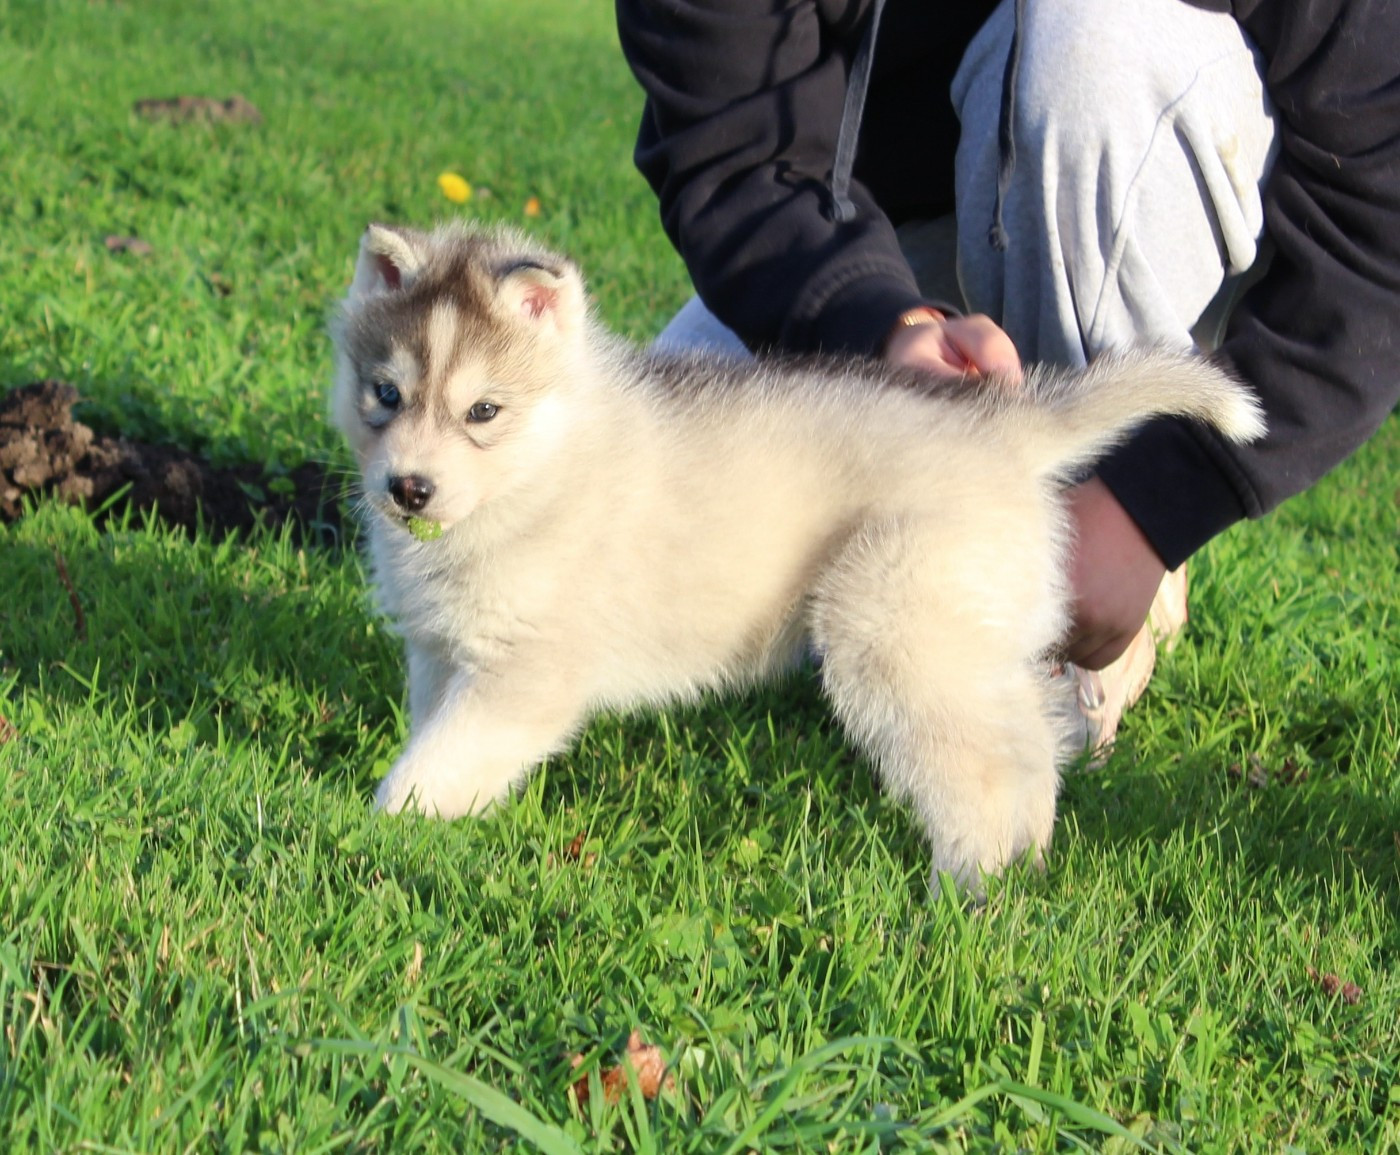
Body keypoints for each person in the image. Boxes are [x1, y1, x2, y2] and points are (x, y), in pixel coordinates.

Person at [615, 0, 1400, 748]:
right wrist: (877, 324)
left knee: (1086, 50)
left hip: (1128, 149)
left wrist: (1156, 495)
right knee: (654, 557)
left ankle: (1080, 553)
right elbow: (734, 150)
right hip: (880, 235)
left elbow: (1382, 180)